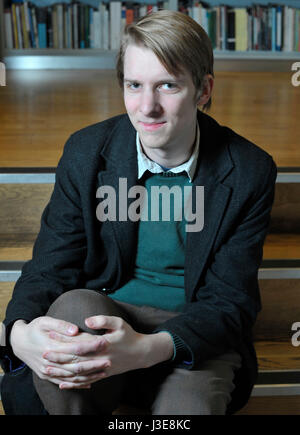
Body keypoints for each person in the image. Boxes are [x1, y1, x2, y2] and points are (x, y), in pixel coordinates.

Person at [0, 10, 277, 415]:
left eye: (168, 85)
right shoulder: (86, 152)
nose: (147, 107)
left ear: (203, 90)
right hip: (104, 315)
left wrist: (149, 349)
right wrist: (18, 333)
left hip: (189, 330)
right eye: (134, 85)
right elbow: (49, 266)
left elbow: (231, 301)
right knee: (74, 310)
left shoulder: (249, 170)